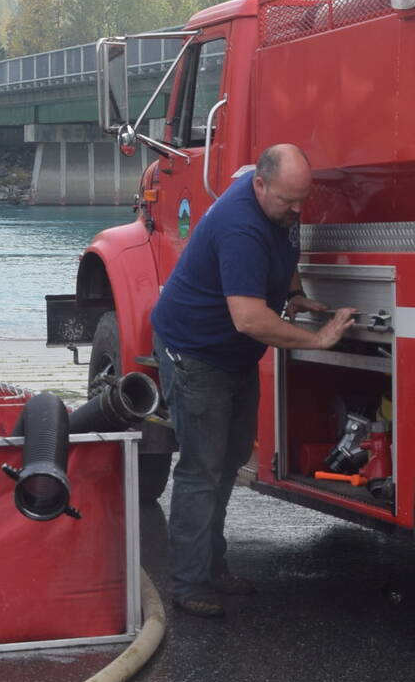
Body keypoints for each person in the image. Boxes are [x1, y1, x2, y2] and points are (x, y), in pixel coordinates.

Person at [150, 144, 355, 617]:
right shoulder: (239, 225)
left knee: (231, 457)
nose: (298, 210)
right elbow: (248, 319)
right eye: (288, 201)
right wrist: (319, 339)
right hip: (195, 353)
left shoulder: (279, 206)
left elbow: (283, 253)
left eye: (303, 199)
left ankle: (213, 566)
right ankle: (189, 584)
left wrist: (296, 292)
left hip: (231, 354)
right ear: (259, 185)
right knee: (202, 468)